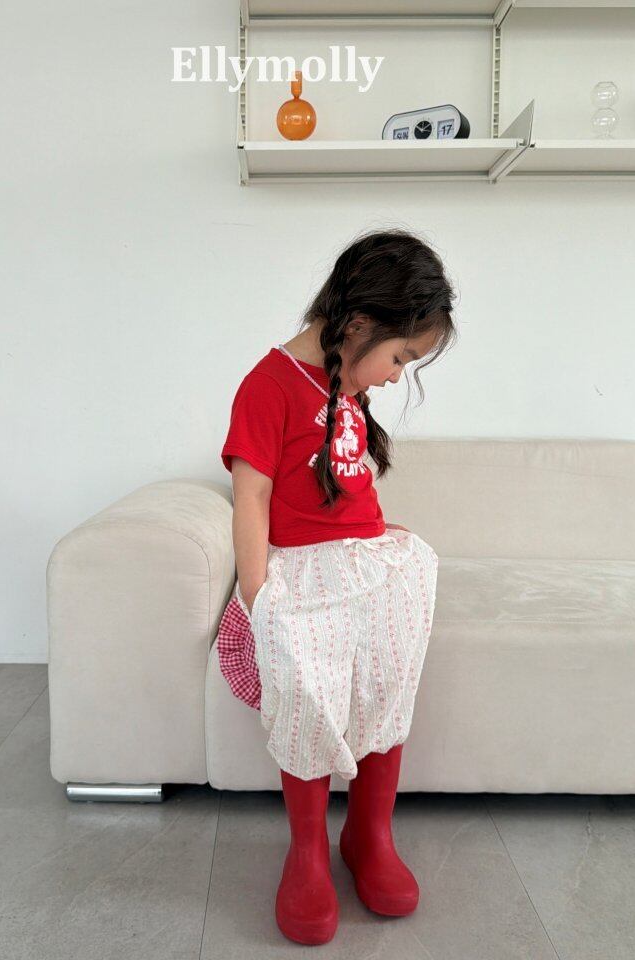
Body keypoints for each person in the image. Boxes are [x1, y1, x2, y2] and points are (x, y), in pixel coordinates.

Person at [219, 228, 457, 945]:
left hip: (362, 565)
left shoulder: (342, 384)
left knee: (388, 676)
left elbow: (348, 491)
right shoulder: (268, 385)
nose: (397, 376)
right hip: (302, 572)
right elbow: (252, 498)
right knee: (308, 694)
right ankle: (307, 851)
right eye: (401, 357)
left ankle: (369, 834)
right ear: (359, 324)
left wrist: (377, 541)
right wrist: (259, 599)